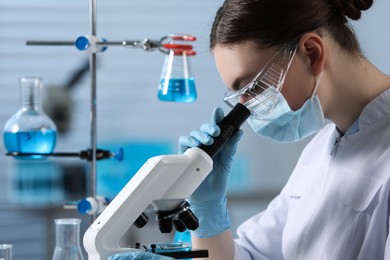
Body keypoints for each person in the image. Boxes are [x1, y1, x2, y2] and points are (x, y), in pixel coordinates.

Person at [110, 0, 390, 259]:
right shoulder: (322, 147)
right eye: (239, 95)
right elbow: (255, 255)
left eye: (253, 87)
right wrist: (209, 215)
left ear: (311, 53)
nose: (248, 108)